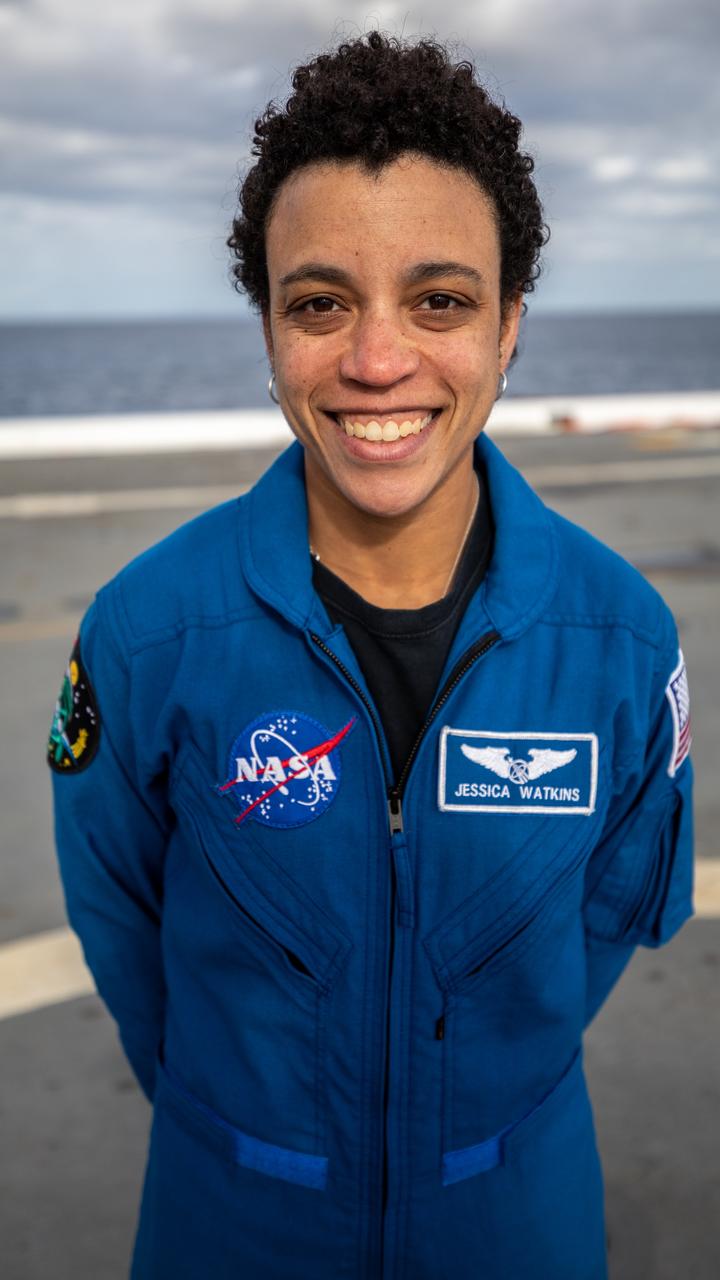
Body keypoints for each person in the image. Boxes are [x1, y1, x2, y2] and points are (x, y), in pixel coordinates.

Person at [47, 31, 694, 1280]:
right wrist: (257, 1129)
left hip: (520, 1221)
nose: (377, 359)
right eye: (321, 301)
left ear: (510, 327)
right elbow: (122, 920)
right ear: (271, 330)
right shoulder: (141, 635)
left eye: (439, 300)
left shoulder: (624, 642)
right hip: (228, 1220)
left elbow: (608, 921)